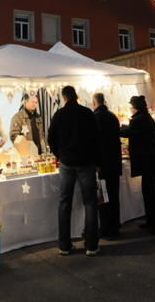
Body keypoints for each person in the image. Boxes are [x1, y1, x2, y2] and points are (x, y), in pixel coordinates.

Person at [47, 86, 101, 256]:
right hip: (86, 162)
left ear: (64, 97)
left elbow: (51, 138)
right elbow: (96, 138)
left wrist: (60, 155)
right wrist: (95, 159)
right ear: (76, 96)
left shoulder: (59, 115)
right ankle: (91, 245)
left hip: (66, 163)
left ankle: (64, 245)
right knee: (90, 203)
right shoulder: (87, 113)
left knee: (64, 203)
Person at [120, 95, 155, 235]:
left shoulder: (139, 119)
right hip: (150, 159)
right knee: (149, 191)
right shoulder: (144, 118)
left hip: (147, 160)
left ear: (135, 107)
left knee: (151, 193)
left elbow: (131, 133)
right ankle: (153, 221)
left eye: (131, 105)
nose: (130, 108)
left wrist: (117, 129)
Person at [92, 93, 122, 239]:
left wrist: (96, 163)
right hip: (115, 162)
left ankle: (106, 230)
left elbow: (95, 144)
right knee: (114, 196)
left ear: (94, 102)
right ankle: (115, 227)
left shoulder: (94, 118)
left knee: (104, 198)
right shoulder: (112, 116)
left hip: (102, 165)